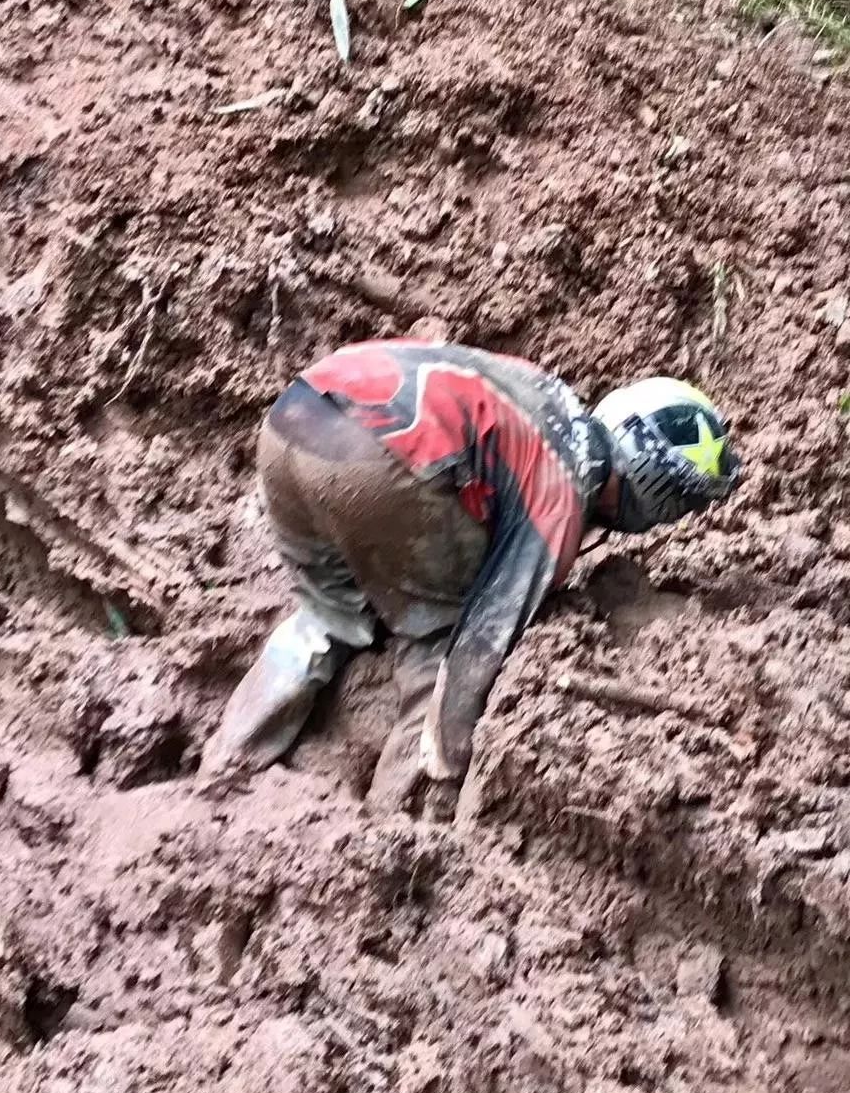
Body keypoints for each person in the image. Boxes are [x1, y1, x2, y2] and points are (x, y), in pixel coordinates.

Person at [200, 337, 740, 810]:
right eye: (678, 504)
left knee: (326, 616)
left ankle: (224, 770)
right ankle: (393, 828)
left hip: (293, 422)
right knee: (437, 642)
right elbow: (484, 637)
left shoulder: (543, 394)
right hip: (376, 459)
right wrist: (450, 759)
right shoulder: (566, 479)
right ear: (656, 486)